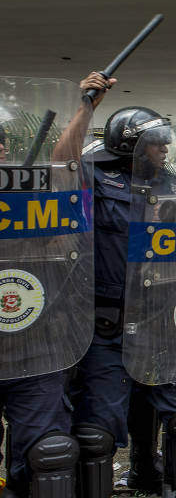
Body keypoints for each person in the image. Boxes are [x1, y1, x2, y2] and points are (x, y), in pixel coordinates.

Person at [69, 95, 176, 498]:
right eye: (156, 143)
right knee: (95, 433)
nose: (165, 149)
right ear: (130, 145)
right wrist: (85, 107)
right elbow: (62, 169)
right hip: (106, 326)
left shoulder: (175, 188)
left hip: (161, 325)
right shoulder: (93, 177)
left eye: (167, 142)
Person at [0, 73, 102, 498]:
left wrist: (85, 107)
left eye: (0, 145)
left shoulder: (33, 192)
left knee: (48, 453)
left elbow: (64, 165)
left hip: (36, 345)